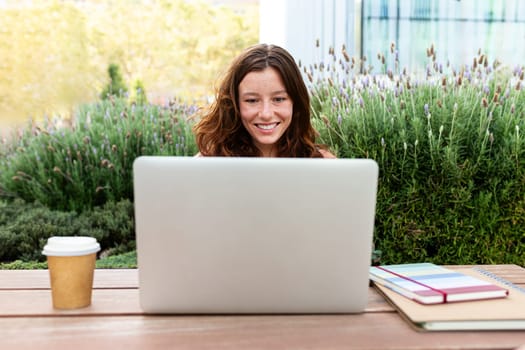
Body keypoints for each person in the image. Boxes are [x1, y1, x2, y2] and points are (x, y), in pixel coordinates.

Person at [193, 43, 336, 158]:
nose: (266, 114)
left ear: (295, 102)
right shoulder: (207, 165)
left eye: (279, 99)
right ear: (234, 104)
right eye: (252, 100)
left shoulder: (324, 165)